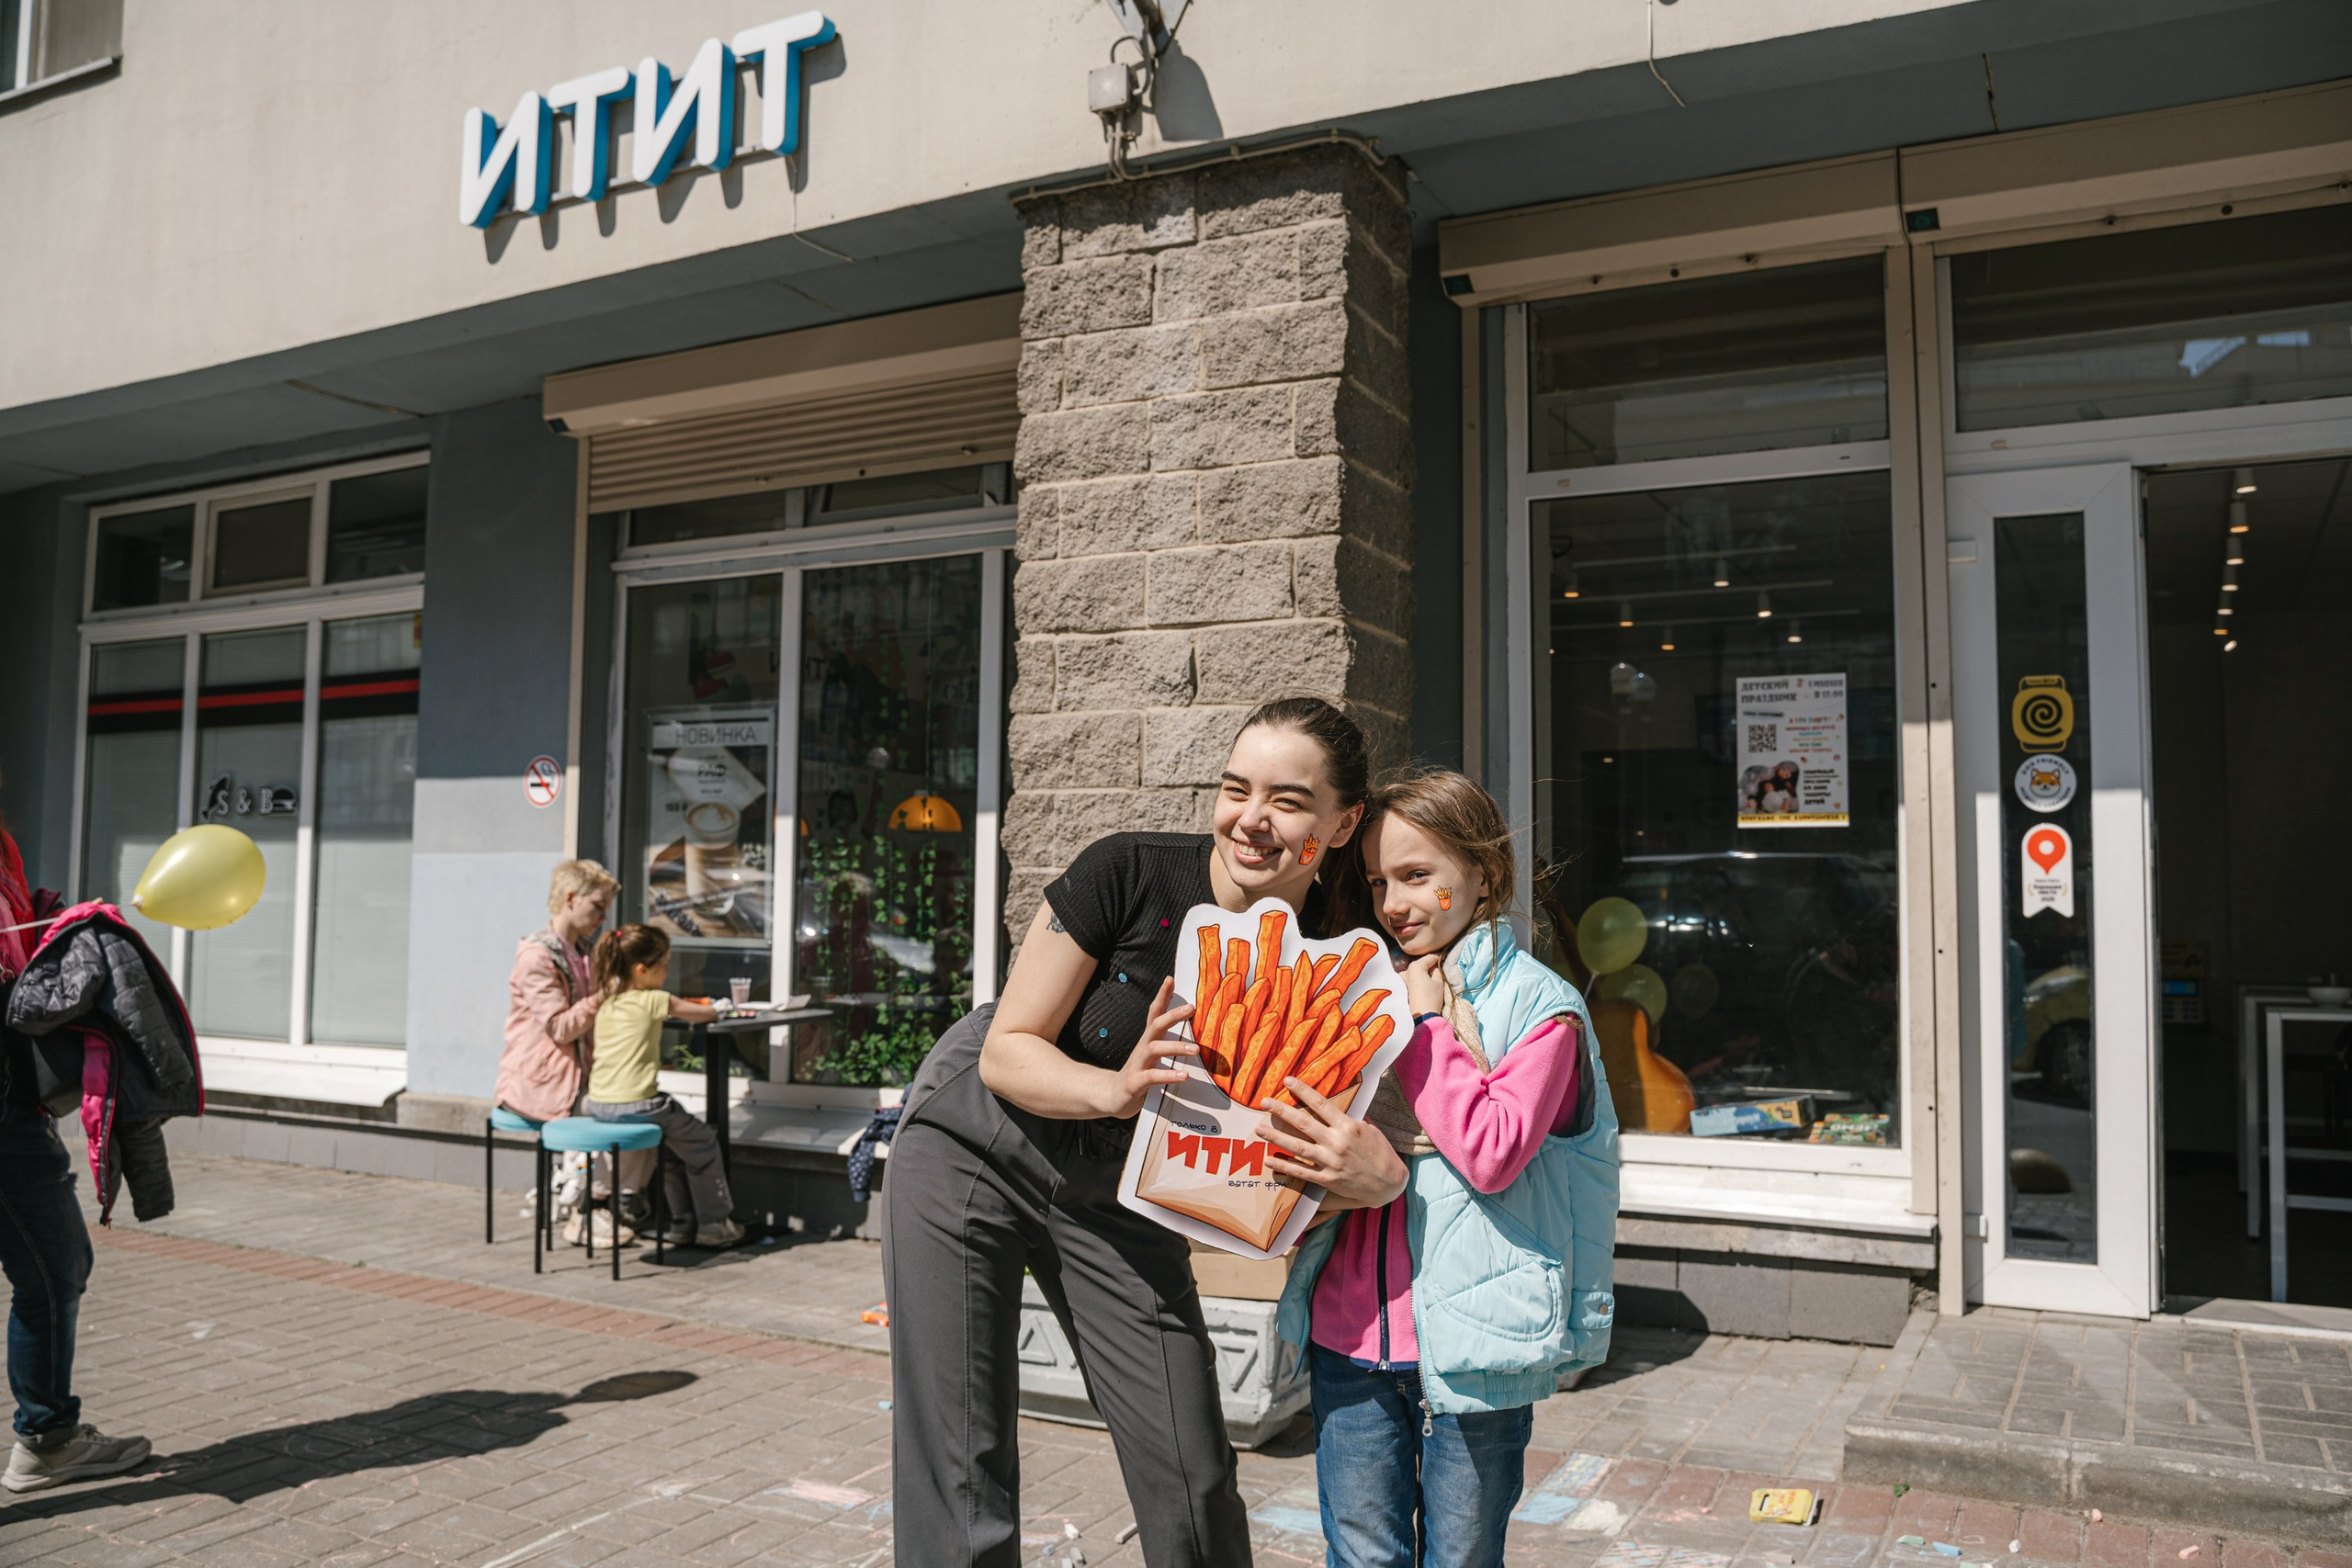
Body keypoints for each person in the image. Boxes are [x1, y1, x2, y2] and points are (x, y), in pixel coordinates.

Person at [883, 697, 1409, 1568]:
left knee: (1190, 1473)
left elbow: (1284, 1165)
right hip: (977, 1142)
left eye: (1287, 800)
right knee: (962, 1461)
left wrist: (1365, 1180)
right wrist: (1116, 1089)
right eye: (1236, 788)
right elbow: (1009, 1050)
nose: (1251, 819)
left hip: (1125, 1194)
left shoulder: (1340, 959)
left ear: (1343, 823)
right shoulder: (1128, 870)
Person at [1265, 770, 1619, 1568]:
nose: (1394, 903)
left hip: (1475, 1349)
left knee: (1461, 1556)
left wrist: (1425, 1025)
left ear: (1484, 874)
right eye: (1378, 881)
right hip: (1350, 1334)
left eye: (1417, 875)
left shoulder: (1540, 1009)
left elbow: (1491, 1151)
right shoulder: (1363, 992)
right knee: (1362, 1554)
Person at [0, 775, 150, 1491]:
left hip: (15, 1099)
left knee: (58, 1265)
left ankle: (48, 1433)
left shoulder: (4, 854)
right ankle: (49, 1436)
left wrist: (58, 930)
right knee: (55, 1265)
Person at [494, 859, 649, 1247]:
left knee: (642, 1111)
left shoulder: (584, 950)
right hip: (541, 1083)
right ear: (570, 899)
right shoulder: (537, 957)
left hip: (580, 1076)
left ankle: (602, 1202)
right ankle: (588, 1210)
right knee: (623, 1118)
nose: (604, 916)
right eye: (597, 906)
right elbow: (561, 1027)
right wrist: (605, 995)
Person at [583, 924, 744, 1249]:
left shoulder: (607, 1003)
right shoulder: (654, 1000)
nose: (669, 971)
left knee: (671, 1148)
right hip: (639, 1105)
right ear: (641, 970)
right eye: (665, 965)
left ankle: (682, 1222)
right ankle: (713, 1224)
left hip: (598, 1103)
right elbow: (704, 1015)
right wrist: (721, 1008)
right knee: (702, 1142)